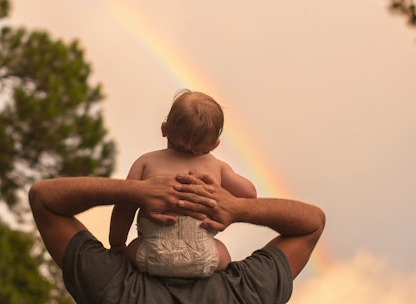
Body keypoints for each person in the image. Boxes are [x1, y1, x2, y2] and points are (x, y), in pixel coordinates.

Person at [29, 173, 325, 303]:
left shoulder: (116, 290)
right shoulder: (242, 294)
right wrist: (237, 207)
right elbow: (312, 222)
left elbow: (44, 198)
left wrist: (138, 192)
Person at [109, 89, 257, 278]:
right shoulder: (217, 166)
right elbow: (250, 194)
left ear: (164, 129)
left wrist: (118, 245)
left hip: (152, 253)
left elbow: (124, 206)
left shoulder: (146, 162)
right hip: (203, 256)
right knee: (223, 254)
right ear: (215, 144)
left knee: (131, 250)